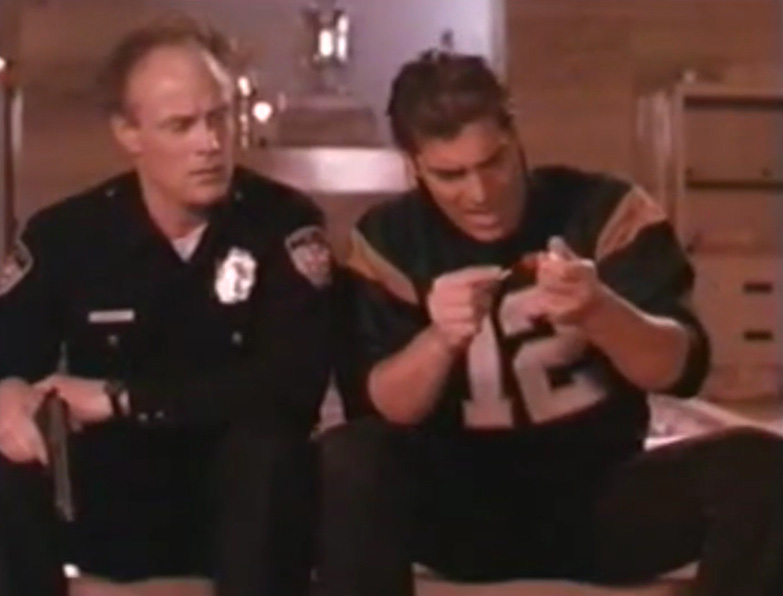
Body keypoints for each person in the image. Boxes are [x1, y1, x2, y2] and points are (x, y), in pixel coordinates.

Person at [319, 50, 783, 596]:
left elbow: (679, 370)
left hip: (600, 497)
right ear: (413, 166)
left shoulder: (603, 209)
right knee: (348, 456)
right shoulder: (390, 238)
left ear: (515, 135)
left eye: (493, 162)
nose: (480, 193)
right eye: (450, 175)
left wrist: (600, 310)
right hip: (459, 509)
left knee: (761, 467)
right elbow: (377, 405)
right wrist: (439, 339)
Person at [0, 16, 333, 596]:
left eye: (219, 117)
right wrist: (7, 392)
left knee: (266, 452)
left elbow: (290, 386)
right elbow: (11, 350)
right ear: (128, 133)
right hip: (111, 500)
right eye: (181, 125)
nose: (210, 143)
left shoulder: (282, 223)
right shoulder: (68, 235)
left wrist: (121, 399)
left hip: (241, 501)